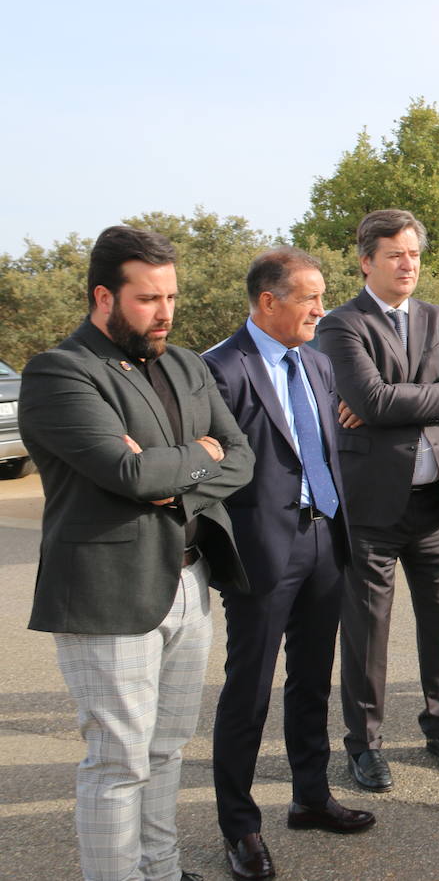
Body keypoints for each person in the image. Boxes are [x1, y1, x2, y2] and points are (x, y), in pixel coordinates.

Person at [19, 225, 254, 881]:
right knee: (117, 763)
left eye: (171, 296)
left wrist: (172, 468)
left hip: (189, 578)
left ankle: (164, 869)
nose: (166, 311)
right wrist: (189, 461)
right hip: (106, 590)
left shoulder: (185, 364)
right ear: (104, 296)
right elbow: (130, 479)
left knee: (168, 750)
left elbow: (240, 457)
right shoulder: (59, 373)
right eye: (148, 298)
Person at [203, 248, 376, 880]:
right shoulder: (220, 369)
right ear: (268, 301)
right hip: (260, 554)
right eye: (308, 297)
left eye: (322, 295)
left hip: (325, 539)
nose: (319, 309)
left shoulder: (319, 365)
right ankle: (240, 828)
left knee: (312, 678)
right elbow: (211, 466)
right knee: (248, 690)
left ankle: (310, 797)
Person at [315, 209, 439, 794]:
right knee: (367, 633)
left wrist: (393, 403)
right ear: (367, 261)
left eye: (413, 253)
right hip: (370, 509)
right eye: (394, 254)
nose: (407, 264)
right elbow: (375, 396)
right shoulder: (342, 325)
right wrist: (435, 396)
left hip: (437, 503)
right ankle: (363, 744)